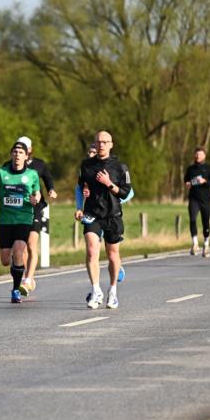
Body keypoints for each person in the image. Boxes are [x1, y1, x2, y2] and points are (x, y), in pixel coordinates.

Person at [74, 131, 132, 309]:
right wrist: (79, 206)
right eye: (98, 142)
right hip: (92, 214)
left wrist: (108, 183)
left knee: (113, 255)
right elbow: (80, 186)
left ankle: (113, 291)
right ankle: (96, 289)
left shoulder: (120, 167)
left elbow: (125, 192)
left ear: (111, 144)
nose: (101, 145)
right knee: (92, 251)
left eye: (105, 142)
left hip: (113, 215)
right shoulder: (86, 165)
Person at [0, 140, 42, 303]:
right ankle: (16, 266)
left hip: (24, 218)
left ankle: (16, 289)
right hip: (5, 220)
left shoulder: (32, 174)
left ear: (26, 156)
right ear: (11, 155)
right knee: (5, 260)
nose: (17, 155)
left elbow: (37, 192)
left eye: (21, 153)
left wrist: (35, 199)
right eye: (15, 152)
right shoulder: (1, 173)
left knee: (19, 250)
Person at [12, 136, 57, 297]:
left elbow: (49, 179)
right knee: (21, 247)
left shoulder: (39, 165)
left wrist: (51, 190)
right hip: (18, 210)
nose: (20, 151)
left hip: (36, 208)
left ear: (30, 149)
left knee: (31, 244)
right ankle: (26, 277)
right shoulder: (12, 166)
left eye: (24, 147)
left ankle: (29, 278)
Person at [185, 146, 210, 257]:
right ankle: (195, 243)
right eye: (196, 154)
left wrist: (205, 181)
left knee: (205, 223)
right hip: (193, 198)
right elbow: (186, 181)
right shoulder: (190, 169)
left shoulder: (208, 168)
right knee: (193, 219)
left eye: (200, 154)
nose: (198, 156)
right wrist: (188, 184)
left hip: (205, 199)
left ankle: (206, 244)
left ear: (204, 156)